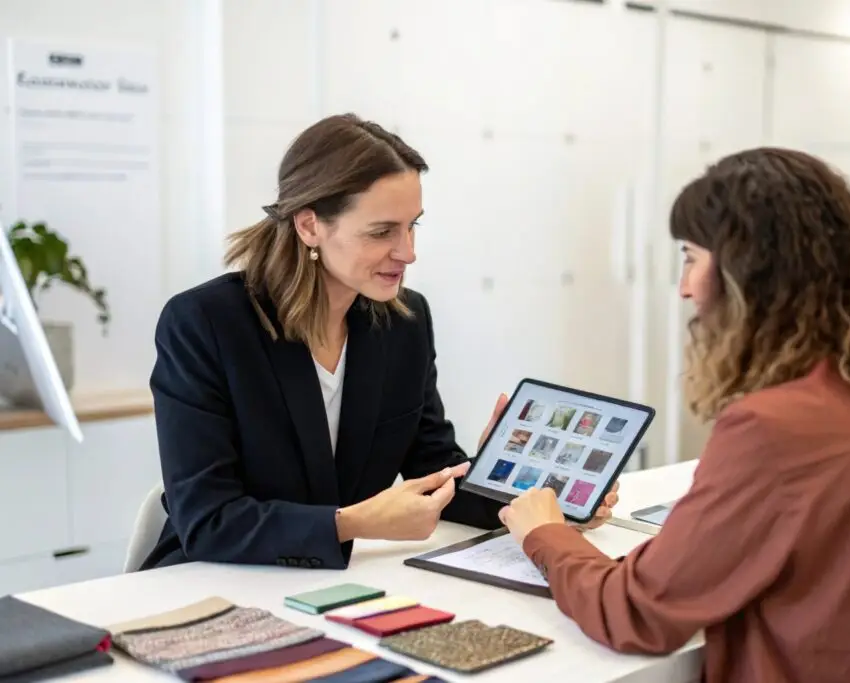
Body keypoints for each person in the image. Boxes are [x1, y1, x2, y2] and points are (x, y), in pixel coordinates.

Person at [498, 148, 850, 682]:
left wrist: (546, 535)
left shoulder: (776, 426)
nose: (683, 288)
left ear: (748, 274)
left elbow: (638, 612)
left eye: (690, 257)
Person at [142, 113, 618, 571]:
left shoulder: (404, 322)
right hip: (210, 582)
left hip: (345, 585)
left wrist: (543, 501)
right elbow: (206, 521)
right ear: (310, 225)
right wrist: (352, 523)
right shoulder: (205, 324)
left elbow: (433, 472)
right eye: (382, 232)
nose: (408, 252)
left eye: (413, 225)